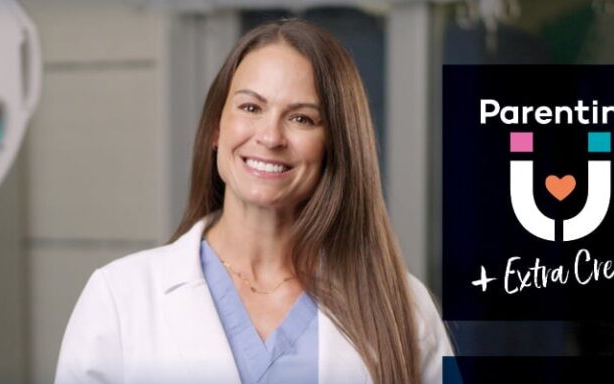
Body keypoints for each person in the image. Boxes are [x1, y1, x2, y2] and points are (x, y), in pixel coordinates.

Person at [55, 19, 453, 384]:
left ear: (337, 145)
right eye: (251, 107)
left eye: (302, 118)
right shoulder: (119, 297)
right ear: (216, 127)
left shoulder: (403, 307)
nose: (270, 136)